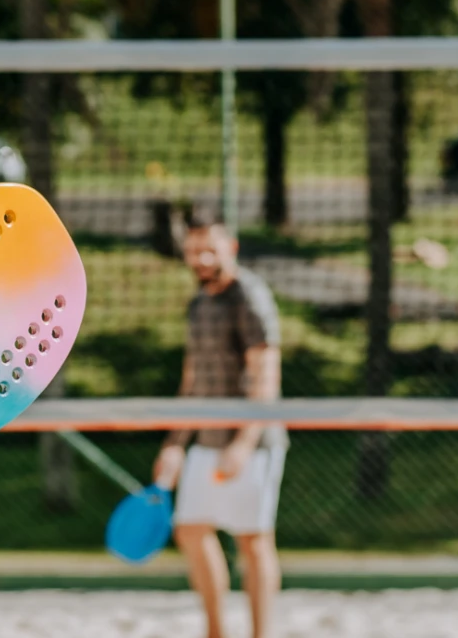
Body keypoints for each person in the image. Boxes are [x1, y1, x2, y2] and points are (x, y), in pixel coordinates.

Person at [153, 222, 286, 638]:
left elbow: (265, 370)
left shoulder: (248, 294)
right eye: (194, 252)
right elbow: (191, 380)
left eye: (210, 250)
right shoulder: (197, 303)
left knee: (253, 541)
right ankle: (216, 632)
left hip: (252, 441)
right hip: (206, 438)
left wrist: (244, 442)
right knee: (190, 530)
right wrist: (175, 444)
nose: (202, 259)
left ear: (231, 248)